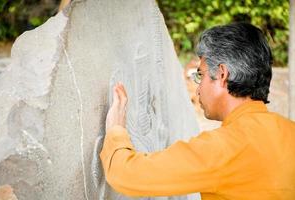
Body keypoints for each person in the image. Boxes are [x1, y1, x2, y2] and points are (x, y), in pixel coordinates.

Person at [100, 23, 295, 199]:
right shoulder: (290, 132)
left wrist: (116, 130)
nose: (198, 89)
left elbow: (127, 175)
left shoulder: (222, 148)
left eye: (200, 75)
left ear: (221, 74)